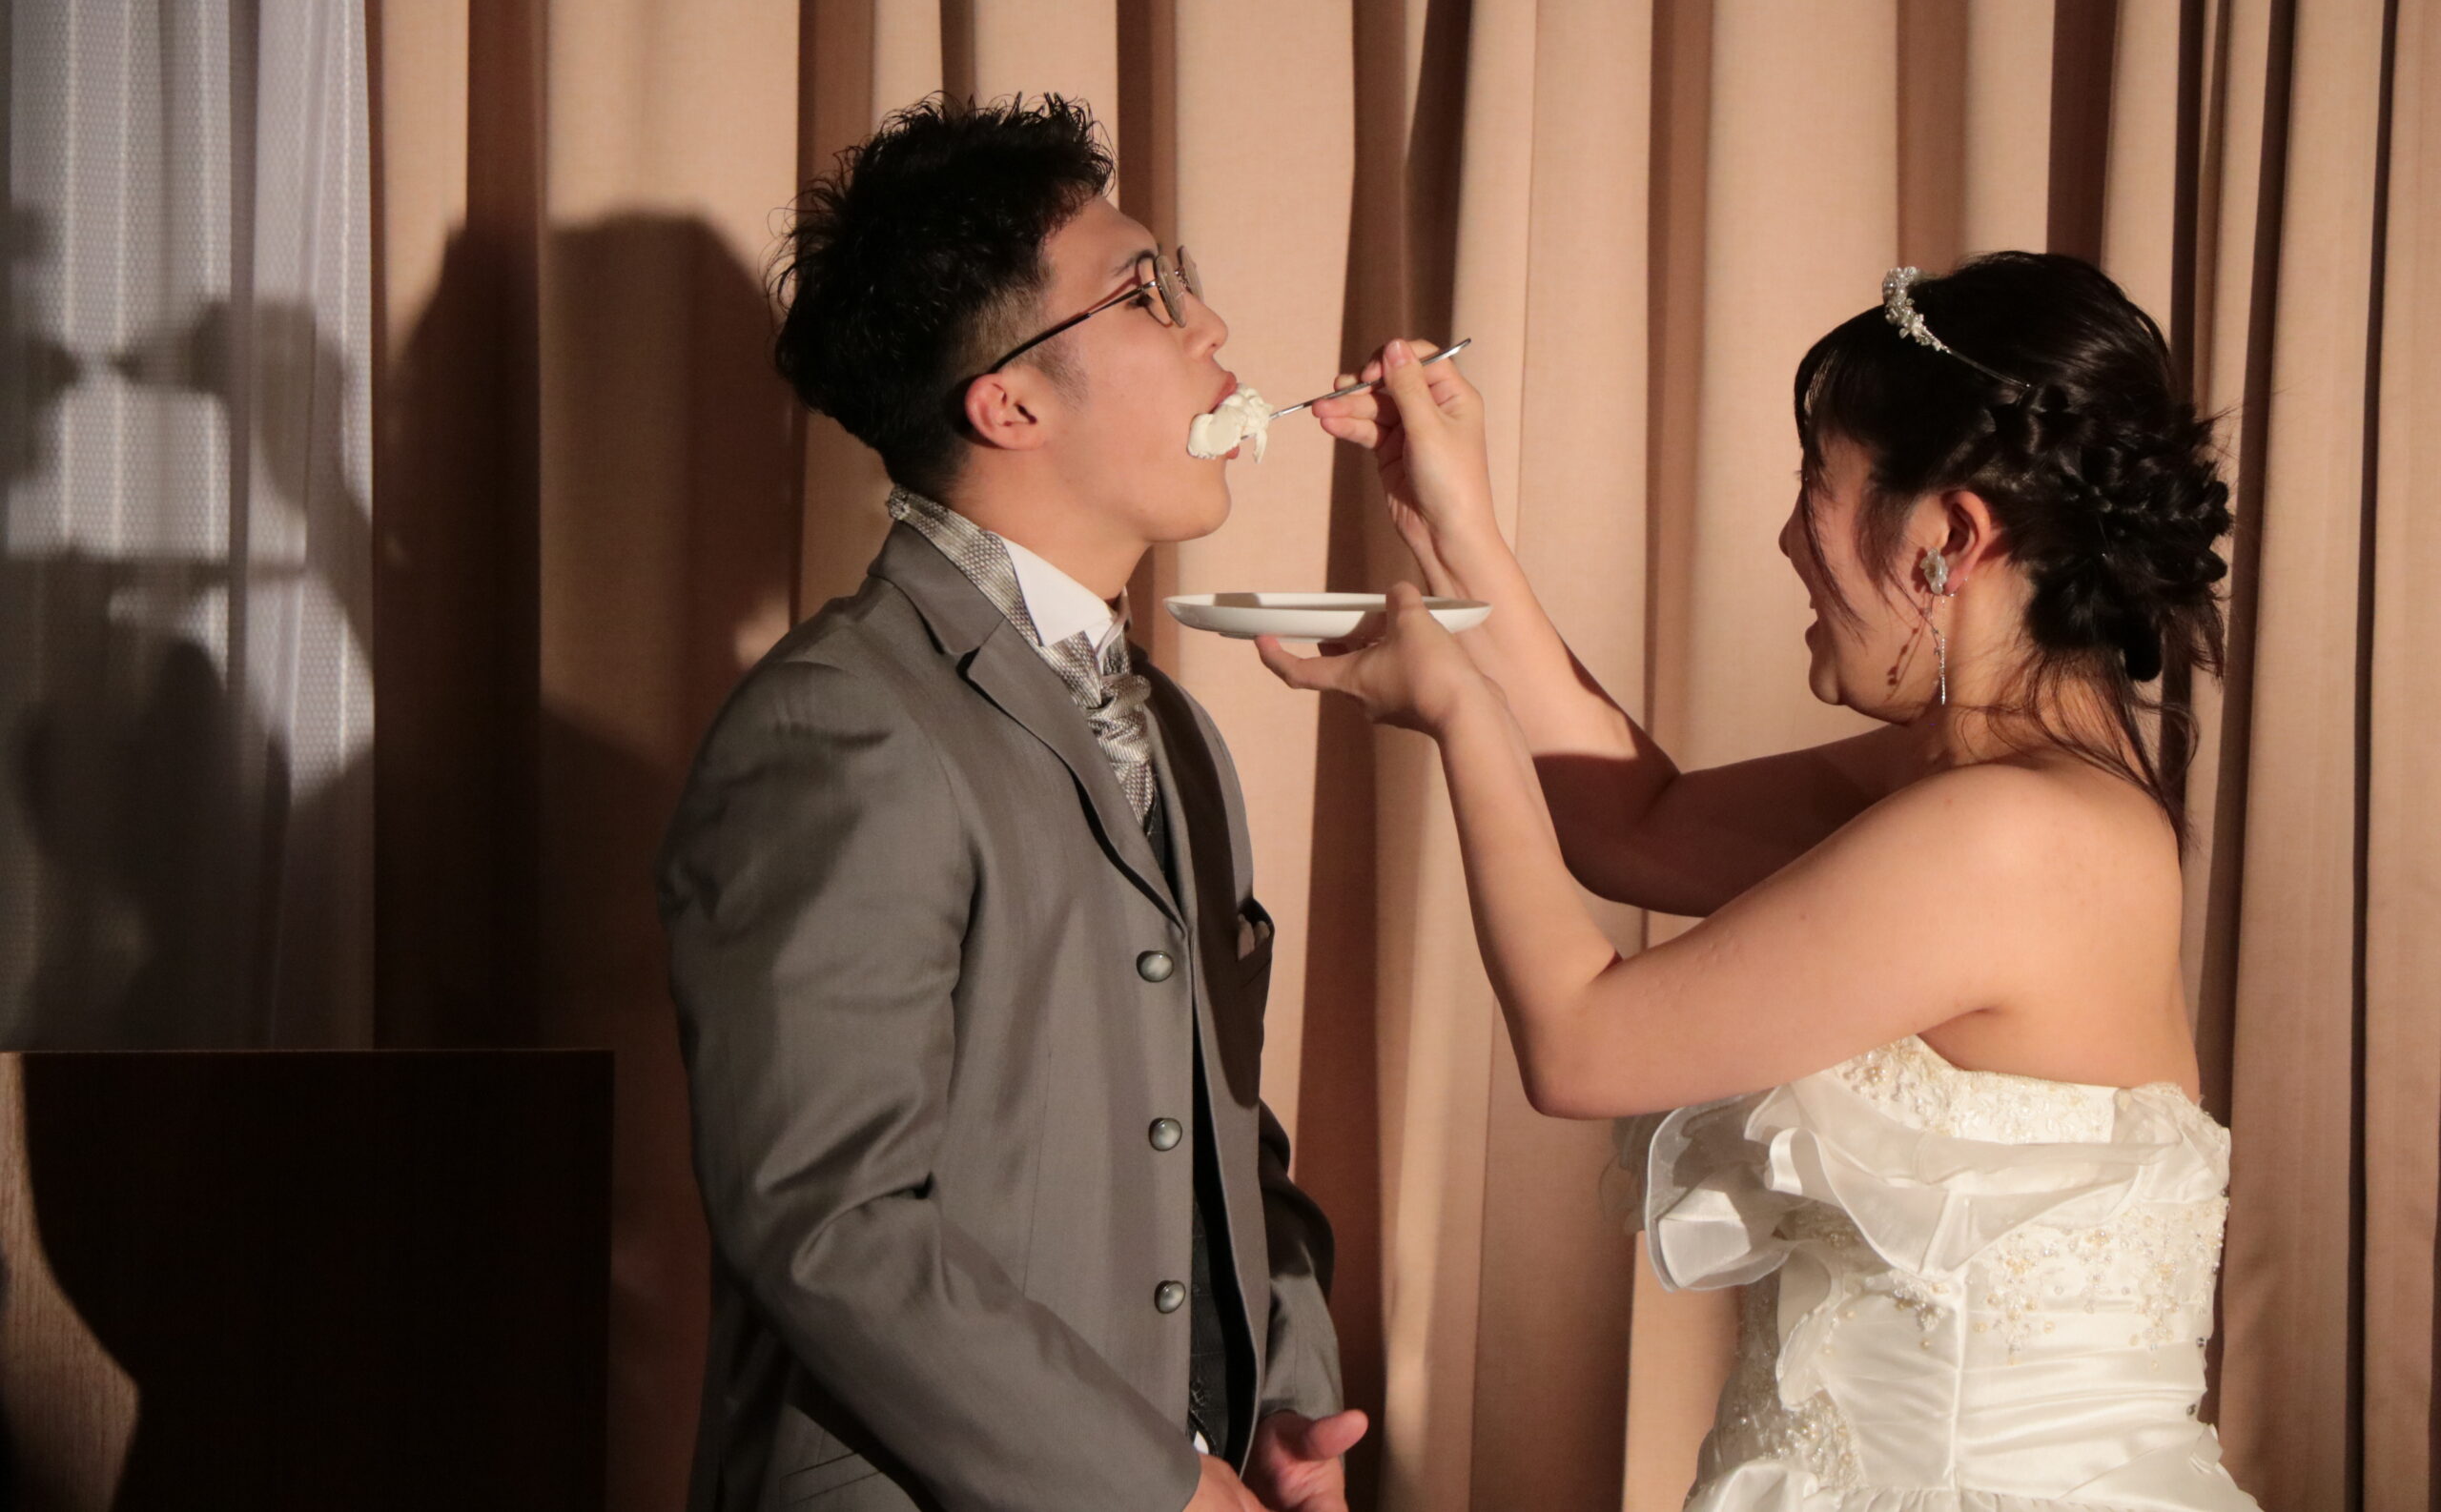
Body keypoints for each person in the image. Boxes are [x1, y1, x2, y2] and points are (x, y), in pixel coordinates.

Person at [1262, 254, 2258, 1508]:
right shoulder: (1979, 782)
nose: (1790, 537)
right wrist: (1457, 529)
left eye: (1815, 489)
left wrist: (1464, 715)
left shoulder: (2011, 833)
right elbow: (1637, 825)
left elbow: (1581, 1045)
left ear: (1949, 539)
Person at [658, 96, 1361, 1512]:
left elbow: (1223, 1132)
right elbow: (831, 1223)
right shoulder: (836, 724)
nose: (1212, 328)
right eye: (1149, 291)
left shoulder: (1176, 730)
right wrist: (1150, 1487)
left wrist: (1286, 1403)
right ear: (1010, 403)